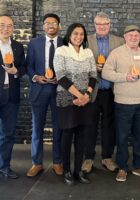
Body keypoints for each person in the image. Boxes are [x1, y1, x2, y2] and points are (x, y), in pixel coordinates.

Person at [102, 25, 140, 182]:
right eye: (130, 35)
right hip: (123, 103)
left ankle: (139, 166)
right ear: (125, 37)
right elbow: (106, 72)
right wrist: (125, 77)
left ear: (139, 38)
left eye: (136, 35)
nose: (133, 37)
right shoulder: (117, 53)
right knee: (122, 137)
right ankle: (122, 167)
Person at [53, 23, 97, 185]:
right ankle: (66, 171)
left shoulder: (88, 52)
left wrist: (87, 95)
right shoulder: (61, 51)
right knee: (67, 136)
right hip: (67, 100)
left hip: (86, 101)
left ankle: (78, 170)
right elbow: (61, 76)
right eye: (75, 34)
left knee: (82, 137)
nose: (79, 37)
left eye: (81, 34)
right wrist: (79, 96)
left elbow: (93, 75)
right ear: (69, 35)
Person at [82, 12, 124, 173]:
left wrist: (108, 68)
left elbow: (123, 63)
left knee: (109, 126)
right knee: (90, 125)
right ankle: (88, 158)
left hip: (111, 91)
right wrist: (95, 67)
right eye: (99, 24)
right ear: (94, 25)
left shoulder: (119, 41)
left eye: (105, 24)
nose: (102, 27)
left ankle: (107, 157)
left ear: (109, 25)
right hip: (92, 91)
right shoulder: (86, 41)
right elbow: (80, 63)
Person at [26, 13, 63, 177]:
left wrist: (61, 79)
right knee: (37, 129)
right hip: (39, 90)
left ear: (59, 26)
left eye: (54, 23)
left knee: (59, 128)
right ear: (43, 26)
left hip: (59, 91)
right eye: (47, 23)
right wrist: (35, 77)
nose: (51, 25)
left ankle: (57, 162)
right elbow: (29, 66)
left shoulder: (65, 43)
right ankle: (37, 163)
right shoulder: (34, 43)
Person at [0, 15, 25, 179]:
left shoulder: (17, 46)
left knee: (8, 134)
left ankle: (4, 166)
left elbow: (23, 67)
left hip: (11, 95)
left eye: (9, 26)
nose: (6, 28)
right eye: (2, 25)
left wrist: (17, 72)